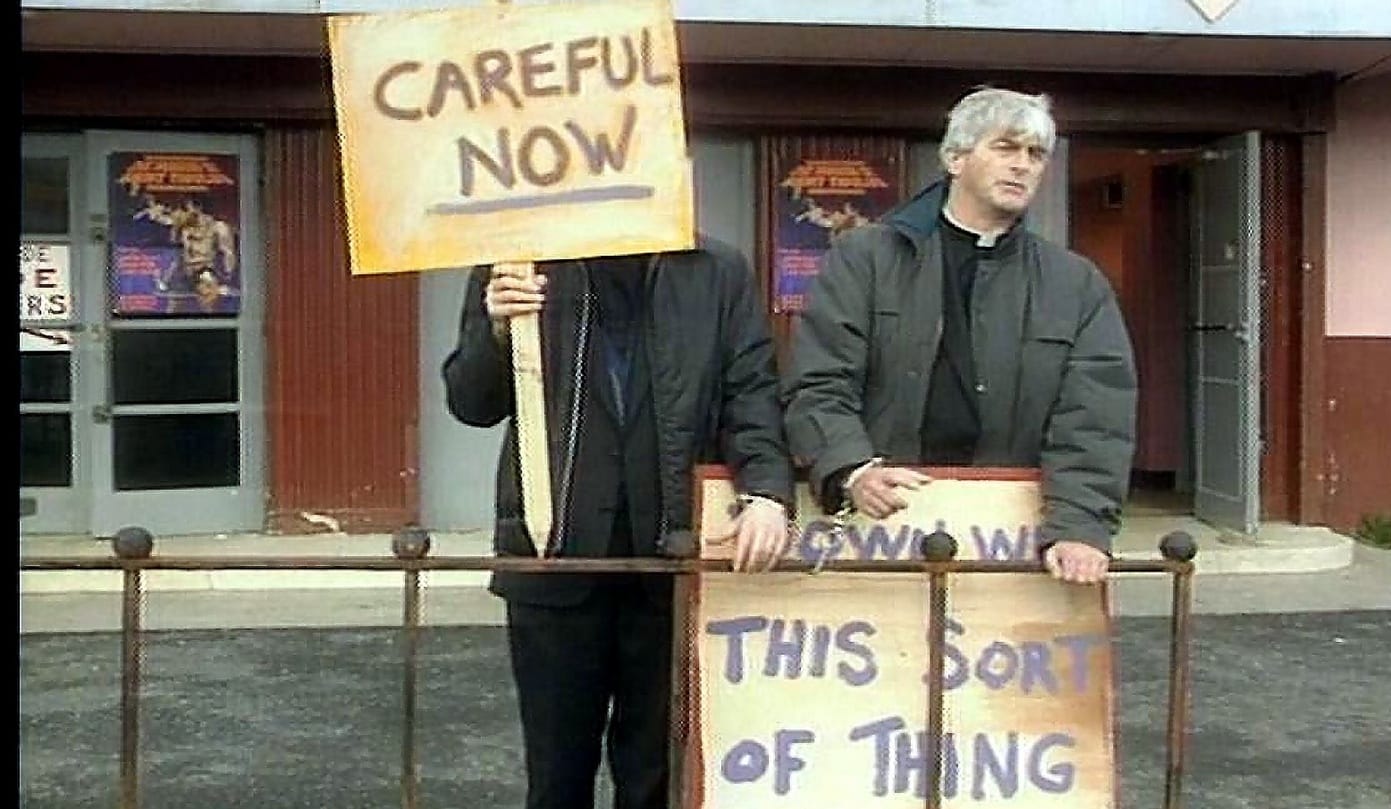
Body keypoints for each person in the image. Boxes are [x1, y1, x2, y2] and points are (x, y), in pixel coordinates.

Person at [442, 237, 794, 809]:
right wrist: (495, 327)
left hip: (672, 557)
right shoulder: (522, 258)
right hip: (553, 555)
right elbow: (472, 404)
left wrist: (768, 494)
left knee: (658, 773)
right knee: (557, 775)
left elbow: (750, 393)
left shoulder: (716, 269)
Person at [781, 86, 1137, 586]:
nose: (1022, 165)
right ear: (955, 157)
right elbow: (818, 381)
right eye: (1005, 147)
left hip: (1009, 531)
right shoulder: (866, 259)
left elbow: (1095, 419)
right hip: (883, 524)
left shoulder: (1074, 283)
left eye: (1036, 154)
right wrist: (852, 468)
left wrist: (1079, 524)